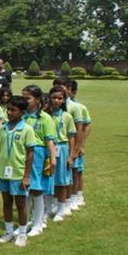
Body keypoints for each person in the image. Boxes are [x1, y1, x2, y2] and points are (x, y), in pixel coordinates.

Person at [0, 95, 35, 247]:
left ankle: (22, 234)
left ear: (22, 112)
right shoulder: (2, 128)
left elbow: (30, 154)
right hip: (3, 173)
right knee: (6, 203)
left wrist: (26, 176)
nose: (9, 112)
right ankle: (9, 231)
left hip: (18, 172)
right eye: (8, 109)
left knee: (21, 204)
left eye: (13, 110)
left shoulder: (27, 129)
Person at [21, 85, 57, 238]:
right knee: (24, 189)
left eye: (28, 98)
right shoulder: (22, 115)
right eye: (23, 98)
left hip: (37, 155)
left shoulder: (45, 118)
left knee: (37, 189)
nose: (25, 101)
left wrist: (53, 159)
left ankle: (38, 223)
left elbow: (49, 141)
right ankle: (25, 222)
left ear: (37, 100)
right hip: (22, 154)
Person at [48, 86, 77, 222]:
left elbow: (71, 137)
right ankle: (50, 207)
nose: (56, 101)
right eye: (54, 98)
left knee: (62, 180)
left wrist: (71, 155)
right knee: (50, 179)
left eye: (60, 98)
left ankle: (61, 208)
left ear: (64, 100)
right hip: (49, 148)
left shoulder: (67, 116)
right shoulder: (46, 115)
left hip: (62, 148)